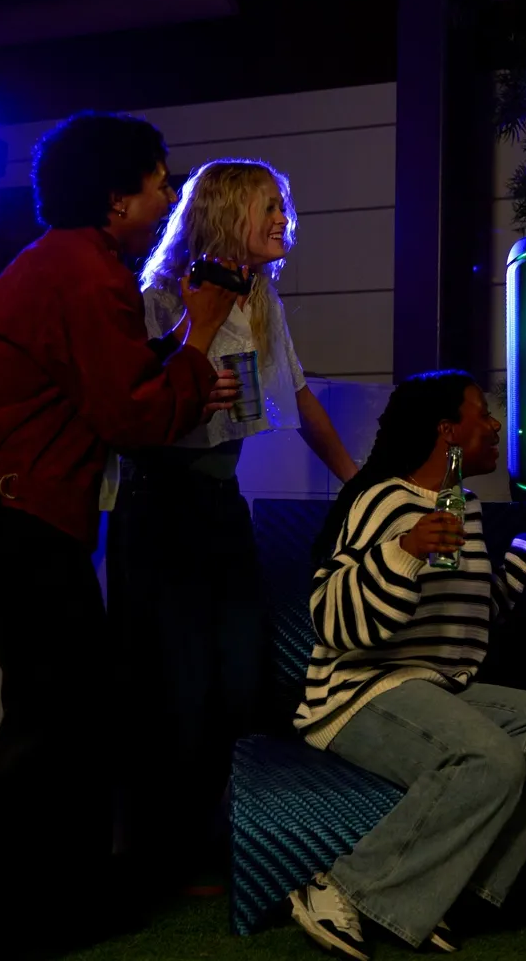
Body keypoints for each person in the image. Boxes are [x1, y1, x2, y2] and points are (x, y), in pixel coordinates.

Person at [0, 112, 242, 960]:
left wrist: (181, 347)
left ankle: (57, 909)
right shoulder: (88, 277)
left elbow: (113, 382)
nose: (167, 199)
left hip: (11, 517)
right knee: (52, 719)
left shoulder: (65, 266)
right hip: (15, 520)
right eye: (159, 184)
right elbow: (133, 417)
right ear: (117, 198)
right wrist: (199, 336)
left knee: (71, 715)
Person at [110, 158, 358, 894]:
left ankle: (227, 839)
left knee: (241, 675)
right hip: (161, 503)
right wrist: (187, 378)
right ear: (224, 213)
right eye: (268, 206)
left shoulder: (260, 297)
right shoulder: (161, 296)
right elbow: (133, 412)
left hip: (221, 501)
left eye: (284, 205)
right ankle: (165, 854)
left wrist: (358, 483)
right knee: (178, 685)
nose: (284, 218)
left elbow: (300, 397)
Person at [287, 371, 526, 961]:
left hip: (436, 689)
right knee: (491, 759)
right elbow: (331, 618)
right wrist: (405, 551)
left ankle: (447, 894)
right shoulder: (381, 500)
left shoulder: (464, 506)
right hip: (358, 691)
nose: (495, 425)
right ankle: (337, 890)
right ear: (447, 430)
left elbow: (465, 620)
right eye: (481, 413)